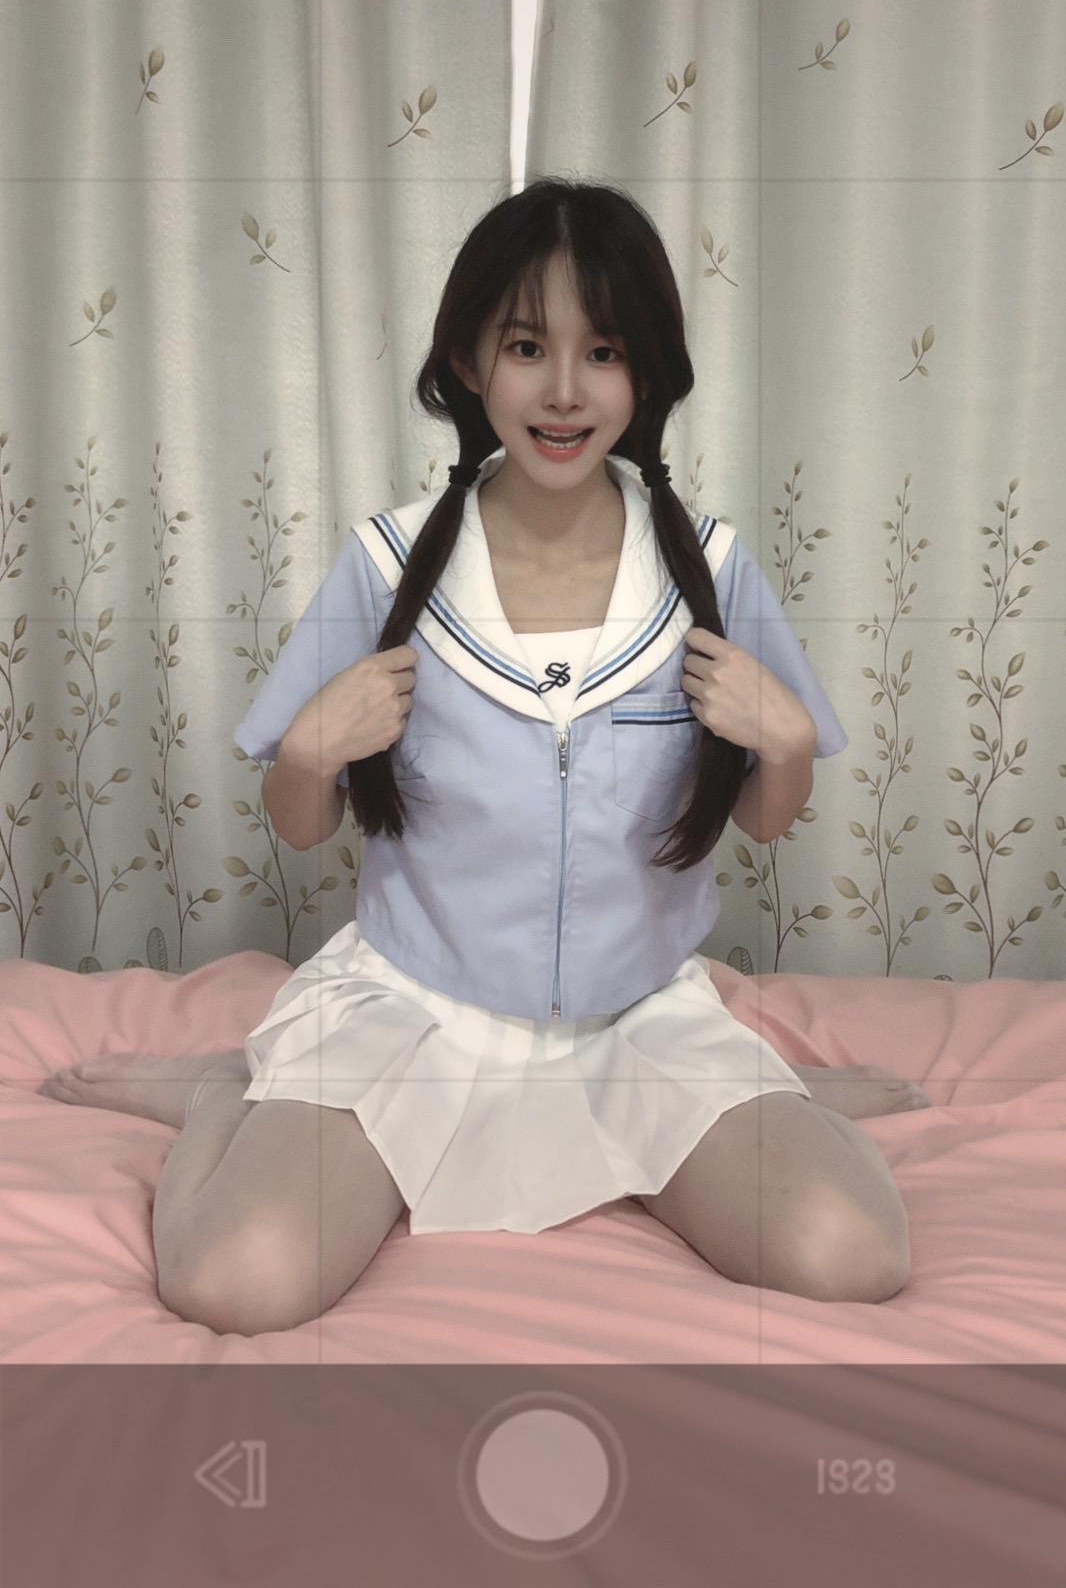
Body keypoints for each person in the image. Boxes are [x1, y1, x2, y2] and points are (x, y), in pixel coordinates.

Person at [38, 179, 929, 1335]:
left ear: (646, 374)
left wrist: (791, 743)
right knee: (233, 1282)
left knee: (852, 1251)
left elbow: (759, 818)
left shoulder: (708, 569)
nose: (564, 391)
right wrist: (308, 750)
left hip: (637, 1022)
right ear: (469, 361)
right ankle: (226, 1088)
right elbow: (301, 824)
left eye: (603, 352)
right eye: (526, 347)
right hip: (416, 1016)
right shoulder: (386, 563)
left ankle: (773, 1097)